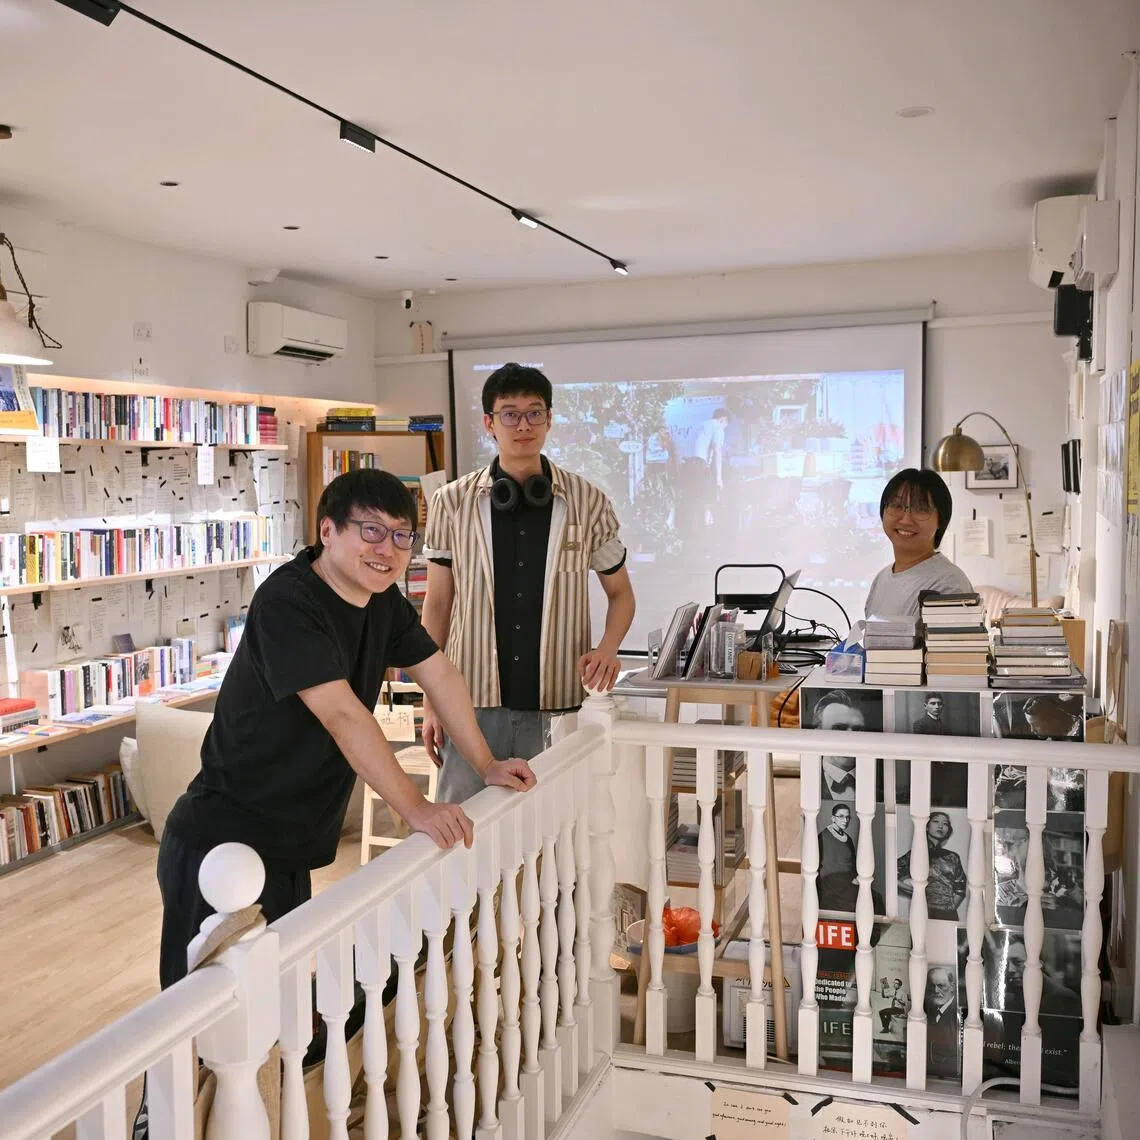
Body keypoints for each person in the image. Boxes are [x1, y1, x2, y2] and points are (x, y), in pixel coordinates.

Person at [158, 469, 538, 990]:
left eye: (403, 536)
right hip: (221, 843)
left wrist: (487, 764)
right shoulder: (288, 602)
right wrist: (417, 809)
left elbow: (440, 674)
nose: (389, 549)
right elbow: (342, 716)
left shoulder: (380, 600)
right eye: (372, 530)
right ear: (328, 530)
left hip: (289, 844)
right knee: (199, 1024)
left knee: (277, 1012)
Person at [421, 363, 635, 804]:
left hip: (559, 702)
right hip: (470, 702)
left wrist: (608, 648)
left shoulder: (588, 502)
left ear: (550, 420)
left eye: (535, 413)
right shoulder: (450, 503)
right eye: (510, 414)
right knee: (465, 836)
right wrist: (430, 702)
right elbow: (438, 606)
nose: (523, 424)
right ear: (489, 423)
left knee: (555, 836)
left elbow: (621, 595)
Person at [865, 468, 973, 619]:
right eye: (896, 506)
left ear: (940, 520)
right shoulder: (882, 578)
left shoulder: (948, 585)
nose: (906, 519)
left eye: (920, 509)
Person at [897, 811, 968, 921]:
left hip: (949, 915)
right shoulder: (916, 853)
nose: (941, 826)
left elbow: (961, 887)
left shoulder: (952, 856)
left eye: (945, 823)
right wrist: (914, 890)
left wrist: (952, 907)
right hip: (922, 911)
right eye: (936, 821)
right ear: (926, 826)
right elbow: (891, 875)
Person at [817, 803, 858, 911]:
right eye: (841, 816)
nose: (845, 820)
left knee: (876, 898)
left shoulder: (848, 839)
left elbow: (853, 862)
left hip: (848, 880)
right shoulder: (823, 836)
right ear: (833, 818)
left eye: (847, 817)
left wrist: (856, 878)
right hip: (831, 883)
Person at [924, 967, 960, 1078]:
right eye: (931, 986)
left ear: (952, 987)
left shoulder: (959, 1015)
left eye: (941, 986)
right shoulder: (927, 1009)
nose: (935, 991)